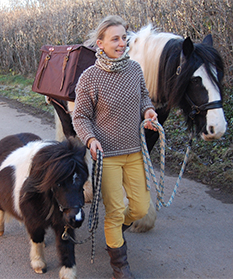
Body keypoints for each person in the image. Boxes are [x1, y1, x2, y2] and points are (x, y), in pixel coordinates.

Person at [72, 15, 157, 278]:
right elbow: (80, 116)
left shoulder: (134, 69)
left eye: (124, 37)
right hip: (106, 155)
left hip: (134, 153)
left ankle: (115, 233)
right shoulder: (90, 78)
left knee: (141, 209)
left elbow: (143, 96)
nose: (122, 43)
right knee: (115, 210)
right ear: (100, 43)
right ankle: (120, 267)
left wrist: (149, 111)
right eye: (115, 39)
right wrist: (90, 139)